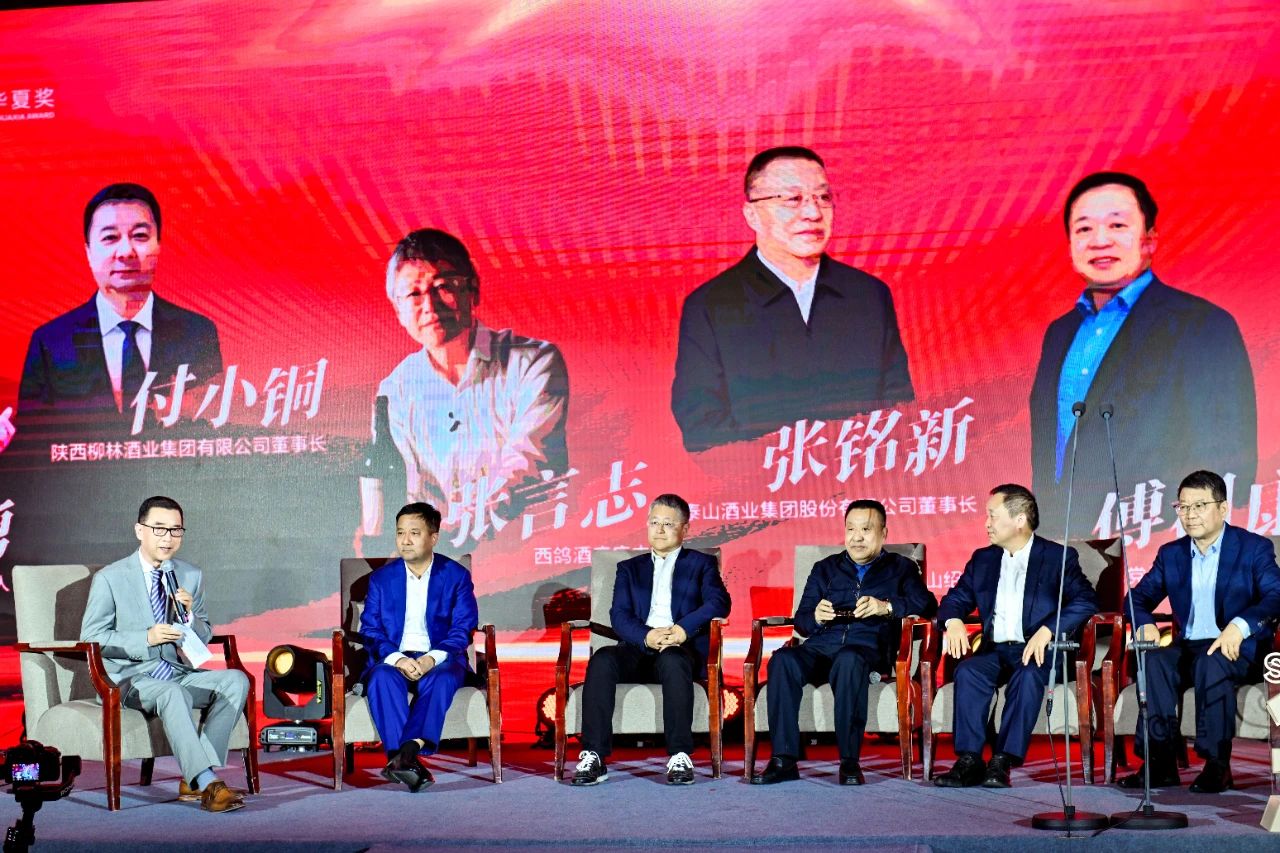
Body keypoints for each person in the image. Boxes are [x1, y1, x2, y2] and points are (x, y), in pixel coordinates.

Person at [1029, 171, 1256, 536]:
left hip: (1155, 534)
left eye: (1117, 225)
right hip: (1066, 540)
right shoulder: (1060, 334)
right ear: (1070, 245)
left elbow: (1228, 455)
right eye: (1084, 229)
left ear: (1150, 240)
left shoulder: (1201, 324)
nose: (1099, 240)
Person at [671, 145, 913, 452]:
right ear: (752, 214)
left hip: (864, 476)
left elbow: (899, 408)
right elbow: (702, 426)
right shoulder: (711, 305)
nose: (813, 213)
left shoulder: (869, 295)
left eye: (823, 197)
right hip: (761, 479)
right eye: (792, 199)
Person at [375, 228, 569, 526]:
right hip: (441, 546)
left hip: (527, 538)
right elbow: (410, 489)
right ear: (398, 311)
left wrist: (461, 524)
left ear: (473, 289)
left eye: (443, 286)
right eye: (414, 294)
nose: (430, 306)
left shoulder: (532, 363)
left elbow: (531, 464)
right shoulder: (395, 390)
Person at [80, 496, 249, 813]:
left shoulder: (190, 574)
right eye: (159, 529)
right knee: (172, 693)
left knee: (236, 681)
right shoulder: (111, 578)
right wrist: (145, 638)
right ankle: (208, 783)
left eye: (175, 530)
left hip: (174, 670)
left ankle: (195, 777)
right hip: (131, 679)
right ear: (139, 530)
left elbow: (204, 633)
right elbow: (91, 638)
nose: (168, 538)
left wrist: (190, 616)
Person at [754, 499, 937, 785]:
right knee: (783, 660)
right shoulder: (825, 568)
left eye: (866, 529)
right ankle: (784, 759)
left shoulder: (901, 567)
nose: (857, 537)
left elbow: (927, 604)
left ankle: (849, 762)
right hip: (820, 648)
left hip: (866, 650)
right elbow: (801, 622)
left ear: (883, 533)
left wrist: (885, 607)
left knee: (849, 659)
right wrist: (816, 616)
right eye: (851, 529)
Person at [1119, 470, 1280, 793]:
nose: (1189, 515)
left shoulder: (1253, 548)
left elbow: (1275, 596)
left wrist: (1240, 626)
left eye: (1199, 506)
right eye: (1183, 506)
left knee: (1212, 661)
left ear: (1222, 508)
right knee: (1154, 661)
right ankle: (1160, 764)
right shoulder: (1172, 554)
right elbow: (1136, 598)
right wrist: (1145, 622)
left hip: (1237, 647)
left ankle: (1217, 765)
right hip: (1189, 645)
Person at [933, 485, 1098, 788]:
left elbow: (1086, 600)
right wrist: (953, 620)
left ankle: (1002, 760)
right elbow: (955, 598)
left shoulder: (1057, 557)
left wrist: (1048, 630)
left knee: (1028, 675)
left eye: (992, 516)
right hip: (995, 651)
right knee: (968, 671)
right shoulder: (983, 559)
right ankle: (969, 759)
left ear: (1020, 519)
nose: (987, 524)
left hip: (1038, 650)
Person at [19, 183, 223, 425]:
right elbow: (33, 436)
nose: (126, 251)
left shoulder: (196, 332)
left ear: (158, 245)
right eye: (110, 238)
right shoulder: (50, 342)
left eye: (140, 236)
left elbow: (211, 425)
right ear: (88, 252)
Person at [571, 493, 731, 786]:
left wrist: (682, 629)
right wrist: (646, 636)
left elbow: (718, 603)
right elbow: (619, 614)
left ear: (685, 529)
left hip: (679, 647)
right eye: (654, 522)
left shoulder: (702, 564)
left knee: (673, 661)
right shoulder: (630, 568)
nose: (659, 529)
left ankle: (679, 756)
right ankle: (594, 755)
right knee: (603, 660)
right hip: (638, 645)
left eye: (668, 524)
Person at [360, 501, 479, 791]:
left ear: (433, 537)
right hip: (394, 657)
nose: (405, 540)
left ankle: (405, 755)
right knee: (381, 678)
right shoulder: (381, 579)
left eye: (414, 533)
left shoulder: (455, 576)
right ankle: (406, 760)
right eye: (400, 533)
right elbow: (370, 630)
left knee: (440, 679)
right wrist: (398, 659)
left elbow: (463, 628)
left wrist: (430, 659)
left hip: (440, 658)